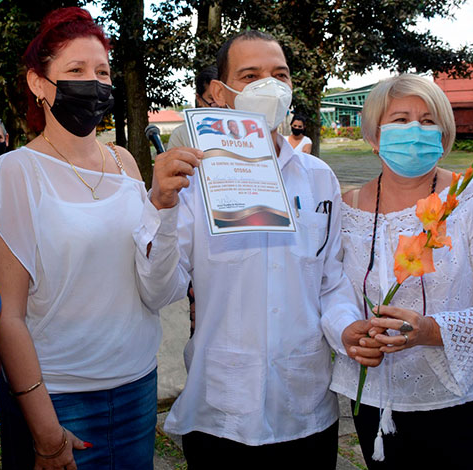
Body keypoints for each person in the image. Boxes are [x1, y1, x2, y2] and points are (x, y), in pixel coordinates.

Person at [0, 7, 200, 470]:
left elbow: (150, 282)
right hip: (60, 398)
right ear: (39, 83)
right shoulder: (15, 172)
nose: (93, 83)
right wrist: (44, 429)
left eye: (102, 71)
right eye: (75, 70)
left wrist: (161, 206)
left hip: (138, 383)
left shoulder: (124, 163)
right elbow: (8, 316)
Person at [136, 29, 360, 468]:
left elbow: (331, 283)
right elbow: (157, 291)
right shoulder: (190, 181)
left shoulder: (318, 179)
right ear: (220, 91)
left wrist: (347, 329)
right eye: (251, 74)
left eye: (280, 74)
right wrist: (160, 206)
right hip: (221, 413)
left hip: (306, 408)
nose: (269, 86)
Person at [324, 74, 473, 469]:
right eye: (401, 120)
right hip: (375, 408)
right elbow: (330, 289)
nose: (415, 131)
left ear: (443, 133)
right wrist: (346, 331)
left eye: (427, 120)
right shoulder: (346, 206)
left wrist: (430, 331)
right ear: (374, 135)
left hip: (472, 408)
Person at [167, 65, 218, 149]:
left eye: (224, 97)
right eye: (212, 98)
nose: (219, 104)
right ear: (199, 99)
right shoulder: (181, 135)